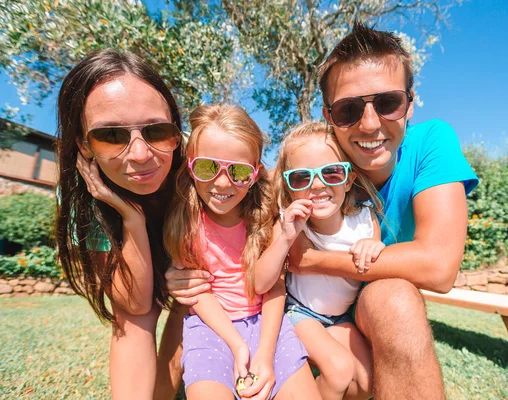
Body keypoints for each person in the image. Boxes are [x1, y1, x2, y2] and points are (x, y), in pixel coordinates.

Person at [165, 22, 479, 399]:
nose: (370, 123)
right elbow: (239, 188)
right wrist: (179, 270)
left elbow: (439, 267)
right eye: (349, 109)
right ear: (330, 116)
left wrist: (310, 260)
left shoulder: (430, 143)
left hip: (362, 302)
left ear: (410, 102)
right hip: (305, 313)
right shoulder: (316, 161)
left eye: (388, 102)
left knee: (392, 300)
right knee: (355, 375)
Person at [54, 49, 211, 399]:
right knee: (134, 320)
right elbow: (135, 306)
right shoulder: (83, 198)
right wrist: (131, 216)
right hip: (141, 261)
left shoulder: (199, 163)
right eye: (111, 136)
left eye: (156, 131)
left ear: (175, 128)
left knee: (192, 299)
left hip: (202, 263)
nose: (140, 154)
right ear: (84, 145)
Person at [163, 104, 321, 400]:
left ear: (255, 174)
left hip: (269, 324)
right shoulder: (184, 219)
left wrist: (265, 351)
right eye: (208, 167)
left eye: (238, 171)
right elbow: (199, 292)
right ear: (190, 164)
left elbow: (274, 287)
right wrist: (237, 345)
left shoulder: (265, 216)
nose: (223, 183)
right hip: (209, 327)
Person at [253, 121, 382, 400]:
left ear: (348, 179)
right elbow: (262, 282)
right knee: (338, 370)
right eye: (301, 177)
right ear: (289, 188)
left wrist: (374, 244)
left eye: (332, 173)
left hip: (342, 317)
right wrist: (286, 237)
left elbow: (376, 256)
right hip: (300, 313)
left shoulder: (365, 220)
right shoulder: (292, 224)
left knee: (366, 382)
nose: (318, 185)